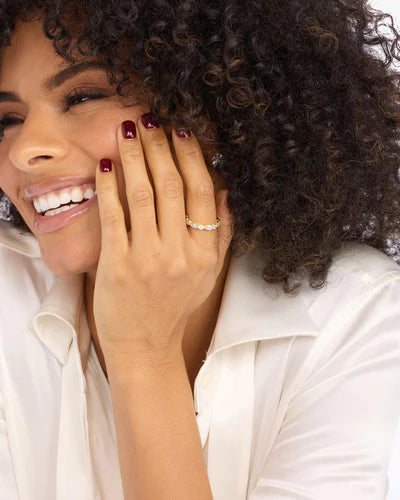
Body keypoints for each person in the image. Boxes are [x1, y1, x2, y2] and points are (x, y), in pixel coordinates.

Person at [0, 1, 400, 499]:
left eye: (83, 96)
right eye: (8, 120)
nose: (24, 150)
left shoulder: (354, 312)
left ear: (217, 108)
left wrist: (144, 355)